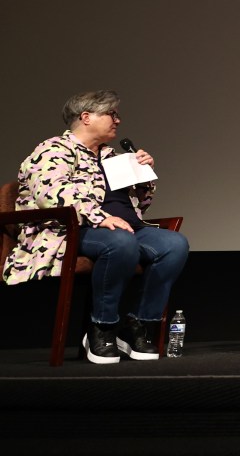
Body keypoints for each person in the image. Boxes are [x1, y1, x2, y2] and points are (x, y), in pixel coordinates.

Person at [2, 90, 189, 364]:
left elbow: (139, 204)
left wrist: (144, 177)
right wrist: (99, 217)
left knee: (175, 244)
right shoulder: (53, 150)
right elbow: (50, 193)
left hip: (125, 226)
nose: (118, 120)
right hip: (70, 230)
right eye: (111, 114)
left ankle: (137, 324)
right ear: (86, 117)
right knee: (120, 242)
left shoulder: (112, 157)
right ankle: (101, 327)